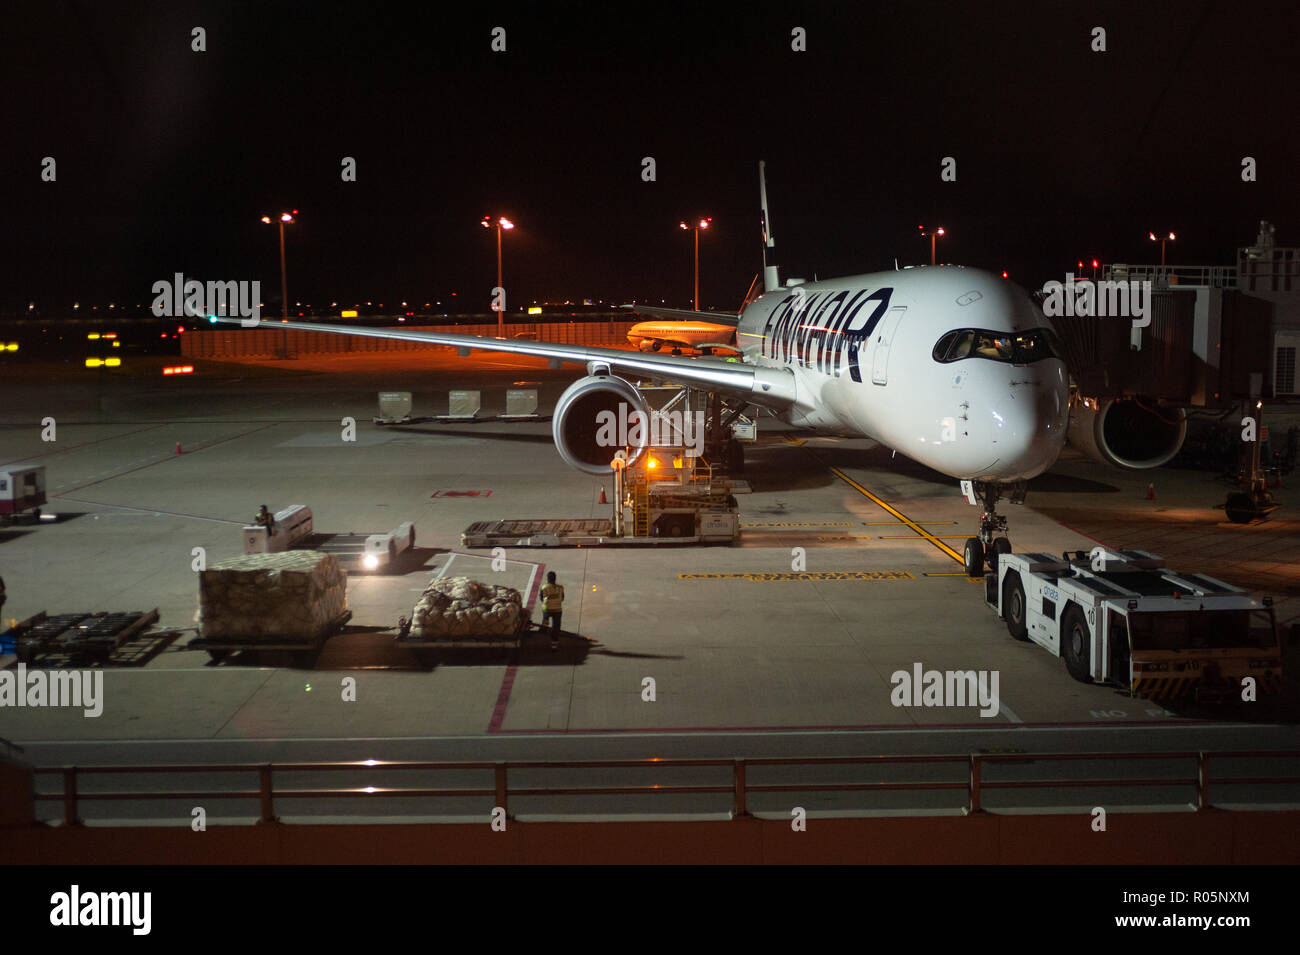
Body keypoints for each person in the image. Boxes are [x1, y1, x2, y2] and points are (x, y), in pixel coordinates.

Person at [539, 571, 564, 649]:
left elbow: (541, 599)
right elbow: (562, 598)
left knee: (545, 615)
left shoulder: (544, 587)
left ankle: (544, 625)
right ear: (555, 579)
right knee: (556, 627)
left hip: (547, 609)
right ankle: (554, 644)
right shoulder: (560, 588)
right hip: (557, 610)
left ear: (548, 579)